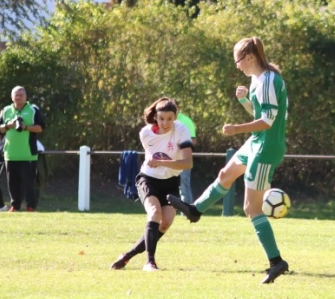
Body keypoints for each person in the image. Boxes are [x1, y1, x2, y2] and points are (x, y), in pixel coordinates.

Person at [169, 36, 290, 285]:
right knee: (226, 174)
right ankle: (195, 210)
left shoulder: (268, 80)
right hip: (257, 141)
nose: (237, 66)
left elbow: (267, 123)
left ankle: (276, 262)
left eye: (238, 60)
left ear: (250, 57)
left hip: (266, 147)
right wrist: (245, 101)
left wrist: (236, 129)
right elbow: (261, 115)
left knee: (251, 209)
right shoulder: (257, 79)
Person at [111, 97, 193, 271]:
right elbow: (153, 161)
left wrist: (163, 163)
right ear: (156, 116)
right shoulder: (146, 133)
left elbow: (187, 163)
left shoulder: (181, 130)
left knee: (166, 223)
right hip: (148, 179)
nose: (166, 123)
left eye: (170, 118)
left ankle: (127, 255)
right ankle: (150, 262)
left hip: (171, 182)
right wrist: (161, 162)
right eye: (162, 118)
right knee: (154, 213)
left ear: (175, 117)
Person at [0, 86, 45, 212]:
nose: (18, 98)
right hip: (10, 154)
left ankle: (30, 206)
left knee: (29, 183)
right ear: (12, 97)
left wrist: (25, 127)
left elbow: (40, 127)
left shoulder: (33, 110)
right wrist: (9, 125)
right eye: (16, 95)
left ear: (26, 97)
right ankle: (15, 206)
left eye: (21, 95)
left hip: (28, 154)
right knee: (12, 183)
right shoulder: (6, 110)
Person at [175, 110, 198, 203]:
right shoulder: (162, 119)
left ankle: (186, 210)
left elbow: (193, 140)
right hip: (166, 158)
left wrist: (177, 145)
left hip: (182, 158)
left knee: (184, 185)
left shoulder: (185, 121)